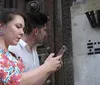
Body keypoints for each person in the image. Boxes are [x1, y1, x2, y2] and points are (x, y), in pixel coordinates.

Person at [0, 8, 63, 85]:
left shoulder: (11, 55)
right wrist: (46, 67)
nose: (22, 32)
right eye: (18, 26)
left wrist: (49, 69)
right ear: (2, 26)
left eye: (23, 28)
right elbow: (14, 81)